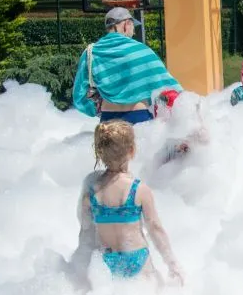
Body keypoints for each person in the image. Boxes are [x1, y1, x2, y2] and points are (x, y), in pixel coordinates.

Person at [71, 120, 184, 284]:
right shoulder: (139, 190)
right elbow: (155, 228)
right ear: (132, 151)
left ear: (100, 153)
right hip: (136, 258)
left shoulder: (91, 192)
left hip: (105, 262)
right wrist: (173, 265)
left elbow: (85, 231)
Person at [72, 7, 181, 124]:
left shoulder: (90, 53)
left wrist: (94, 110)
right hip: (139, 117)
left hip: (108, 119)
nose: (133, 32)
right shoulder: (141, 51)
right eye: (133, 27)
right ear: (126, 24)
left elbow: (79, 95)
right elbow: (170, 87)